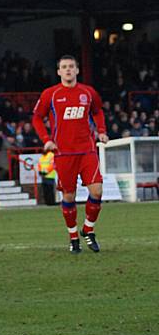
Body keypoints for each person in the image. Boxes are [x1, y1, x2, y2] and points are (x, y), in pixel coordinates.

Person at [32, 55, 108, 254]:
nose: (68, 70)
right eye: (64, 67)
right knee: (69, 195)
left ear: (77, 70)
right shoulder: (51, 94)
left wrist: (101, 131)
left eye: (71, 67)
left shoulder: (88, 92)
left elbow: (98, 111)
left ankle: (88, 230)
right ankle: (73, 237)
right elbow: (37, 118)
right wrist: (46, 139)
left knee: (97, 191)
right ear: (58, 71)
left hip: (87, 150)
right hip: (63, 153)